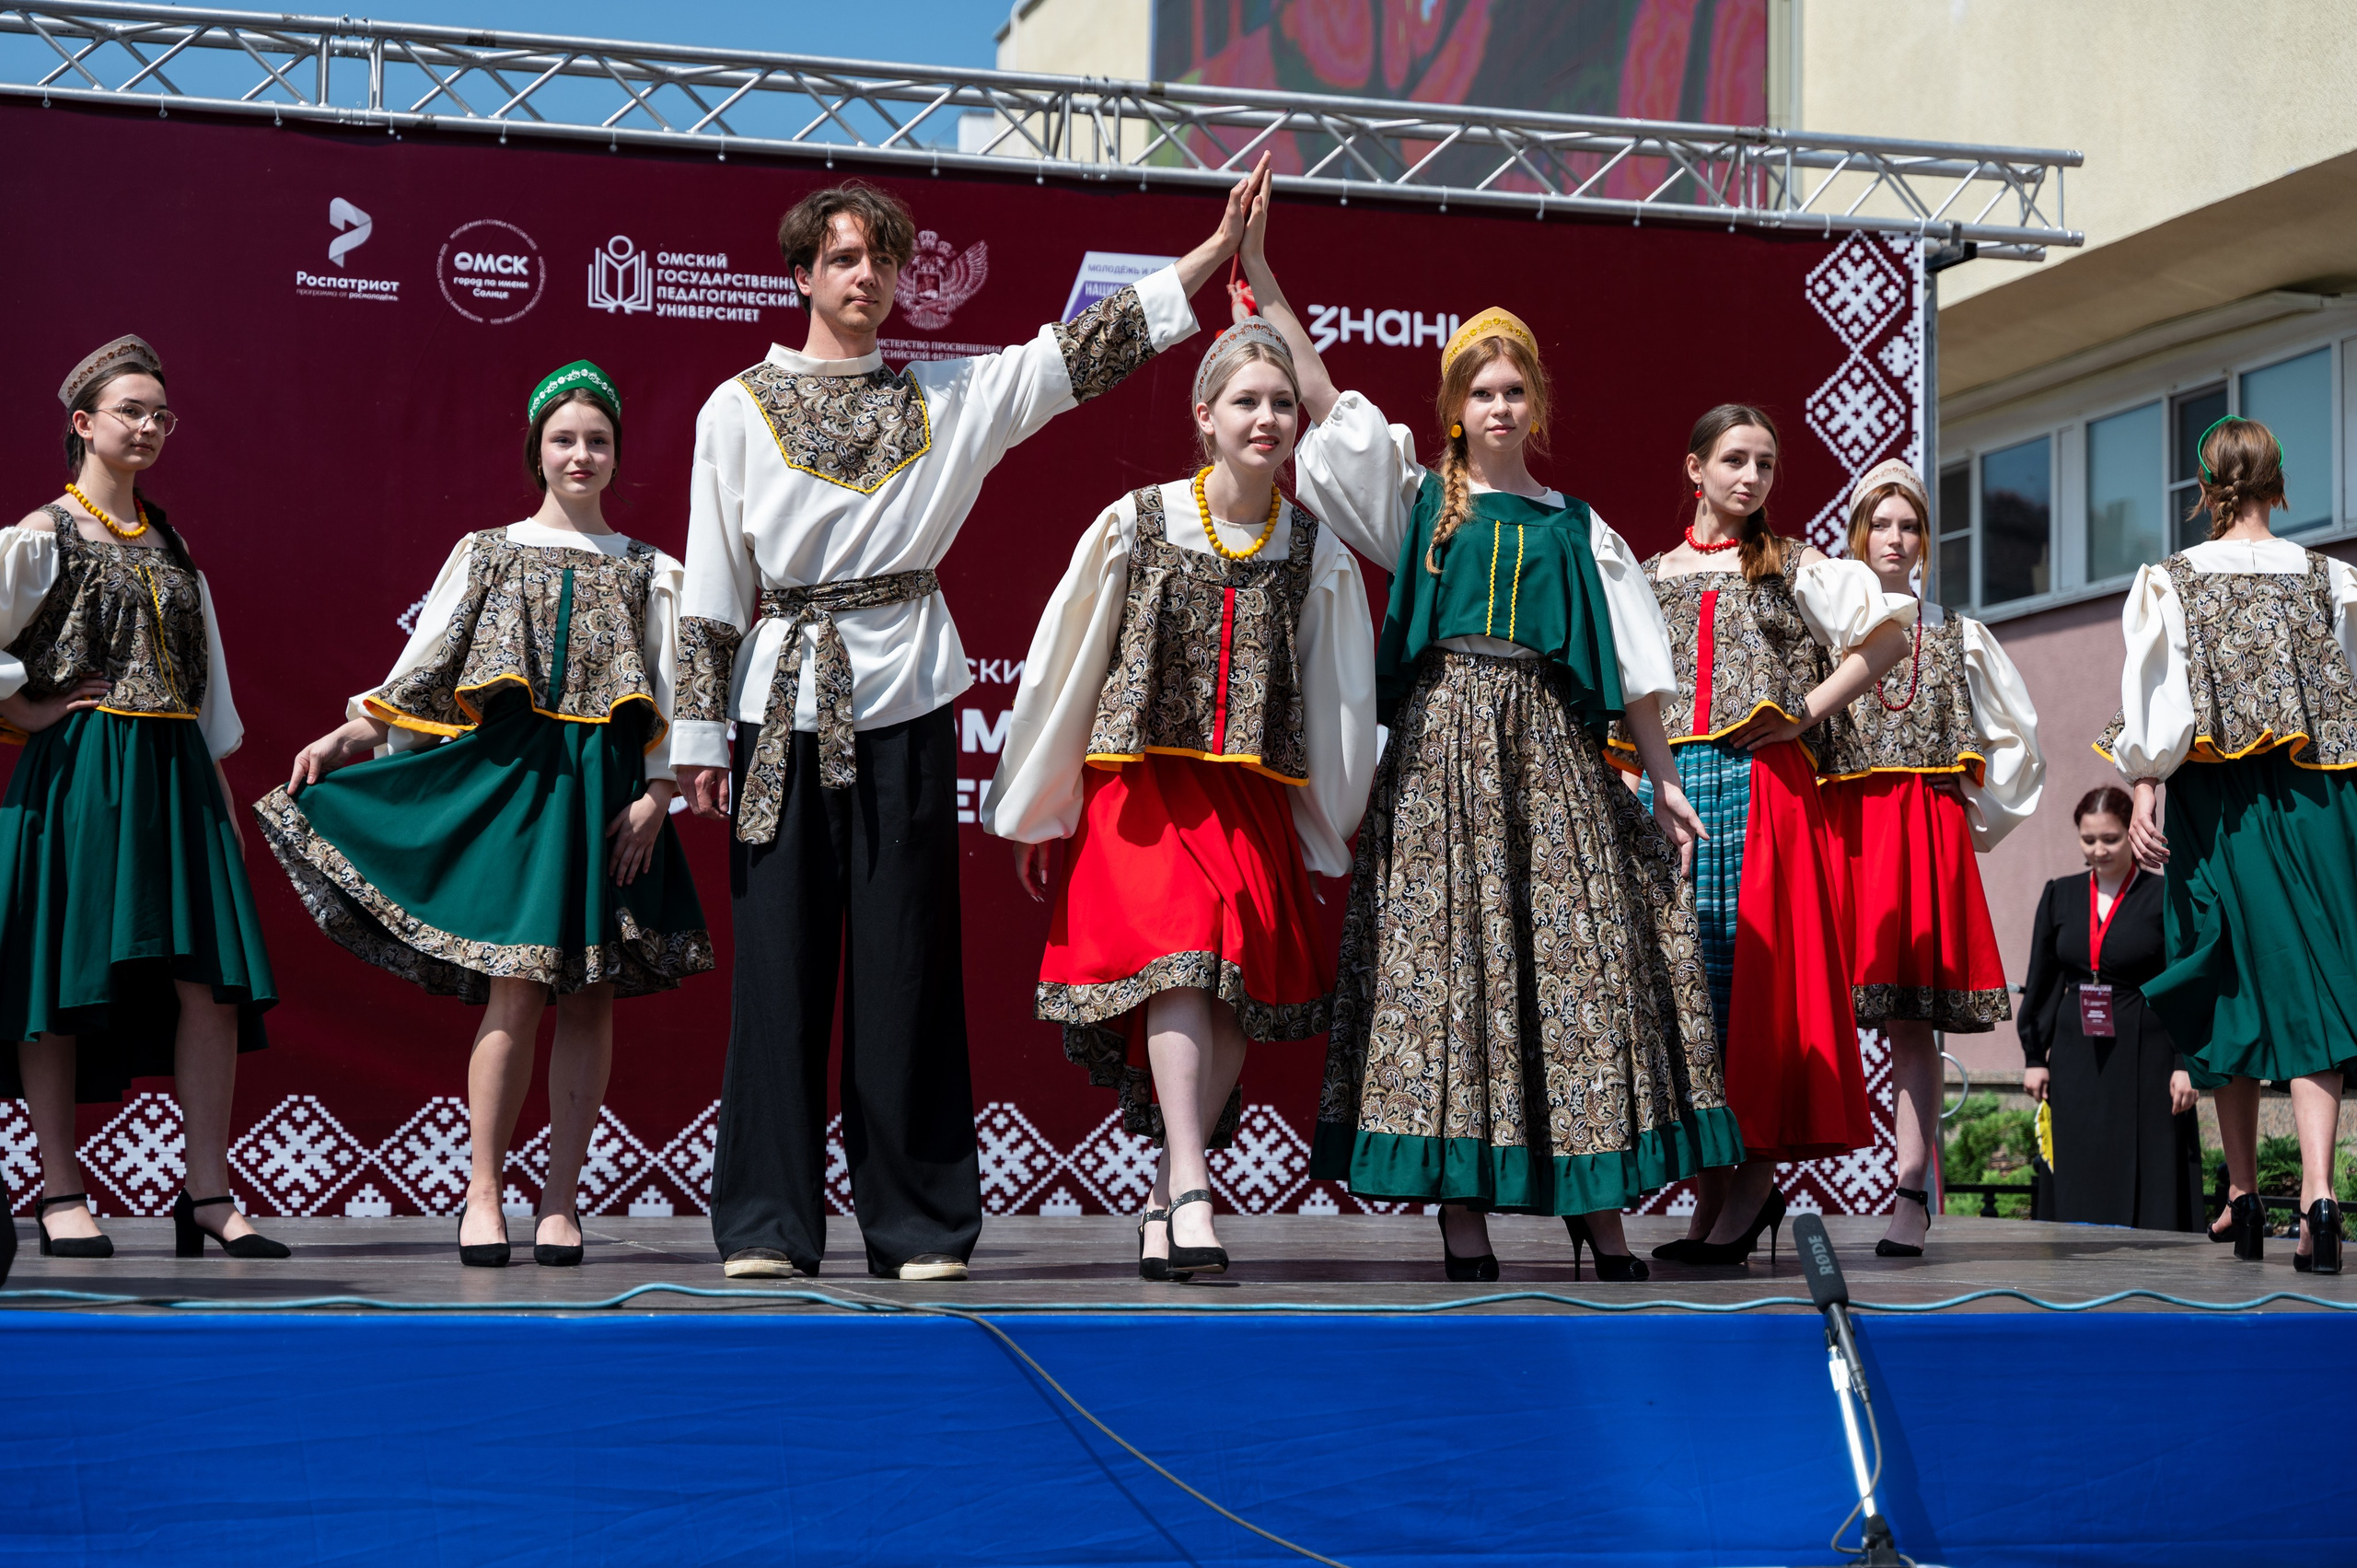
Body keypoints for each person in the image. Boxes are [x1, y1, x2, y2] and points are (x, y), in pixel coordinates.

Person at [677, 162, 1270, 1282]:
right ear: (801, 274)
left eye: (882, 259)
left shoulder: (945, 398)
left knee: (904, 968)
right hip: (780, 708)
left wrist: (1210, 255)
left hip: (902, 701)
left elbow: (1077, 354)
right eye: (842, 257)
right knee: (778, 976)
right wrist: (700, 738)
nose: (865, 275)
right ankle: (764, 1222)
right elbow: (711, 582)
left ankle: (917, 1225)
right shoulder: (734, 406)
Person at [1286, 303, 1735, 1284]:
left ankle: (1596, 1204)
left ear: (1536, 404)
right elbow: (1324, 403)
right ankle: (1462, 1208)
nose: (1499, 405)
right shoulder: (1420, 499)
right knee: (1453, 969)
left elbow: (1634, 668)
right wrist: (1269, 282)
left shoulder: (1576, 524)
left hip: (1548, 749)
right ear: (1455, 406)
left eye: (1514, 390)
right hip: (1442, 747)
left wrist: (1663, 780)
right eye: (1482, 391)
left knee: (1578, 970)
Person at [984, 193, 1374, 1280]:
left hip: (1249, 800)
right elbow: (1067, 665)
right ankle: (1196, 1184)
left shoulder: (1315, 551)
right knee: (1178, 965)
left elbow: (1339, 695)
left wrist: (1327, 815)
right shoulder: (1138, 519)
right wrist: (1042, 800)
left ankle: (1167, 1192)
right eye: (1245, 400)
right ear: (1204, 414)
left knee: (1233, 983)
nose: (1267, 418)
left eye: (1281, 403)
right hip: (1145, 796)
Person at [256, 361, 709, 1268]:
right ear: (537, 449)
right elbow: (426, 664)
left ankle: (562, 1200)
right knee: (517, 986)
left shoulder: (655, 572)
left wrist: (657, 798)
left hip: (610, 800)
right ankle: (483, 1193)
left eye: (597, 441)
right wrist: (355, 729)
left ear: (617, 454)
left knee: (590, 993)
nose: (580, 455)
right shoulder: (489, 551)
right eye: (564, 439)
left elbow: (678, 696)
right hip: (514, 786)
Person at [0, 335, 284, 1260]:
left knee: (208, 983)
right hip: (84, 773)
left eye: (161, 414)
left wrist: (219, 790)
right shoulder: (45, 531)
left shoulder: (171, 540)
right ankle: (60, 1188)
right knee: (60, 974)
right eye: (131, 410)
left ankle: (206, 1193)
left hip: (175, 772)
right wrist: (25, 708)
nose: (150, 426)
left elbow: (206, 685)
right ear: (83, 423)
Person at [1625, 407, 1914, 1267]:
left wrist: (1804, 714)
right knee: (1692, 988)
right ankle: (1714, 1189)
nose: (1751, 477)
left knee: (1757, 986)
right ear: (1695, 467)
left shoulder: (1794, 563)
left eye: (1765, 464)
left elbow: (1889, 632)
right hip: (1675, 786)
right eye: (1735, 460)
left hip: (1762, 789)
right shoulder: (1649, 573)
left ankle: (1752, 1185)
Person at [2106, 415, 2357, 1272]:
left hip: (2214, 799)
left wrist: (2146, 786)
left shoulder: (2169, 579)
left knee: (2225, 977)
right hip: (2318, 795)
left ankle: (2244, 1194)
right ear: (2278, 484)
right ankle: (2320, 1197)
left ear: (2204, 488)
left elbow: (2156, 699)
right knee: (2317, 979)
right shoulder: (2331, 577)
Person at [1821, 459, 2044, 1256]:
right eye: (1880, 524)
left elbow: (2019, 738)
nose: (1895, 538)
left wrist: (1973, 802)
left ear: (1925, 539)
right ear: (1858, 534)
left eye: (1909, 525)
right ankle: (1756, 1184)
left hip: (1918, 832)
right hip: (1843, 831)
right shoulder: (1824, 628)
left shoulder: (1956, 633)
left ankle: (1909, 1191)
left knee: (1911, 1022)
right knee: (1804, 1008)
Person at [2018, 786, 2200, 1230]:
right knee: (2080, 1149)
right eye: (2088, 839)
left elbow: (2184, 981)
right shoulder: (2060, 894)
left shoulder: (2164, 895)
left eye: (2111, 839)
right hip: (2075, 1049)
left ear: (2132, 835)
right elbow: (2044, 979)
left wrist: (2186, 1062)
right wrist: (2034, 1056)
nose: (2098, 850)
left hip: (2148, 1049)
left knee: (2147, 1152)